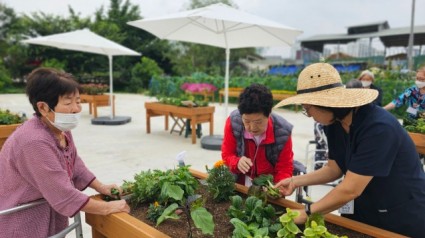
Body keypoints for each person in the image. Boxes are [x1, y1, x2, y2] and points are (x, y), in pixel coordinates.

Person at [274, 62, 425, 237]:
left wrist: (307, 211)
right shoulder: (334, 124)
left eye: (307, 109)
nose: (309, 115)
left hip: (400, 214)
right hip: (364, 210)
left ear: (325, 104)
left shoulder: (378, 128)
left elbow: (350, 189)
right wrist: (294, 181)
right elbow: (334, 168)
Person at [0, 68, 130, 237]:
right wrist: (108, 207)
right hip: (25, 220)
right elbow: (62, 194)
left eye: (78, 101)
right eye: (68, 103)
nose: (77, 109)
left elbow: (75, 164)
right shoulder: (34, 142)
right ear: (43, 107)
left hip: (47, 209)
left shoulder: (59, 128)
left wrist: (101, 186)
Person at [221, 83, 294, 186]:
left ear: (269, 114)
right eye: (246, 121)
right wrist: (236, 162)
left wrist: (278, 187)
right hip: (240, 183)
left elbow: (284, 167)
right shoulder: (233, 122)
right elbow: (226, 154)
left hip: (269, 185)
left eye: (258, 122)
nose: (252, 127)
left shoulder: (283, 131)